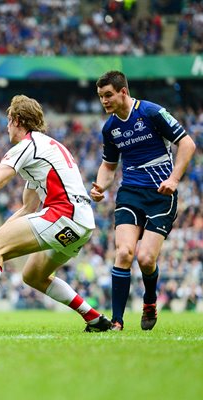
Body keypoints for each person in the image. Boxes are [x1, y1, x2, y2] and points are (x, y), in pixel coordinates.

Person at [0, 95, 112, 333]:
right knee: (33, 275)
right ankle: (94, 318)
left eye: (8, 121)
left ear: (16, 120)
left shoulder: (28, 145)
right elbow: (28, 208)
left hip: (64, 214)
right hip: (82, 223)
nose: (6, 127)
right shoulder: (47, 146)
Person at [91, 71, 196, 331]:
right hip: (130, 193)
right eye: (101, 97)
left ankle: (150, 301)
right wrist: (100, 185)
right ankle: (117, 321)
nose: (104, 101)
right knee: (124, 252)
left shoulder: (151, 112)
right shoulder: (110, 128)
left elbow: (187, 144)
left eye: (108, 95)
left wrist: (173, 179)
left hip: (161, 194)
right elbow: (109, 165)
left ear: (123, 92)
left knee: (146, 259)